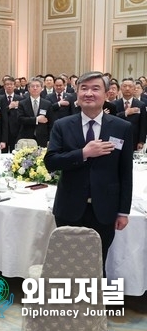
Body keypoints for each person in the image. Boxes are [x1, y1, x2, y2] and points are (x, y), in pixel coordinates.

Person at [45, 71, 133, 273]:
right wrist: (83, 153)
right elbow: (51, 162)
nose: (89, 93)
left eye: (95, 88)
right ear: (77, 94)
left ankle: (94, 303)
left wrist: (123, 211)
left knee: (97, 262)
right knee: (67, 262)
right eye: (83, 88)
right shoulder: (62, 125)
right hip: (69, 208)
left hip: (105, 209)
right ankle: (68, 304)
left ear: (107, 93)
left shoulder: (122, 127)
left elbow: (125, 173)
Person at [17, 77, 53, 147]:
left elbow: (51, 123)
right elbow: (20, 119)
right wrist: (36, 119)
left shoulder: (47, 104)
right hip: (26, 138)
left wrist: (50, 139)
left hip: (43, 137)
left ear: (42, 88)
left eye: (37, 86)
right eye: (32, 86)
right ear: (28, 88)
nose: (35, 88)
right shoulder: (22, 103)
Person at [112, 78, 146, 150]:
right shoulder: (114, 104)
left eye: (130, 86)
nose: (127, 88)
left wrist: (141, 141)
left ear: (134, 89)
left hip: (134, 138)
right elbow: (111, 119)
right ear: (121, 88)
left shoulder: (140, 105)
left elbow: (143, 124)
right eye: (124, 86)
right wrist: (125, 113)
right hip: (117, 138)